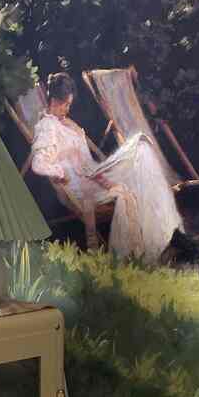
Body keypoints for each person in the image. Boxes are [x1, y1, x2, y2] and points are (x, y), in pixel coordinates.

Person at [30, 71, 184, 262]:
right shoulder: (47, 126)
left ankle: (156, 245)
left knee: (139, 155)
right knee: (128, 183)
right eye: (66, 104)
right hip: (77, 188)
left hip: (91, 177)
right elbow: (38, 164)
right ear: (55, 100)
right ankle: (135, 255)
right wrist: (61, 171)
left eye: (69, 104)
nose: (68, 109)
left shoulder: (65, 123)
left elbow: (86, 162)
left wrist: (102, 179)